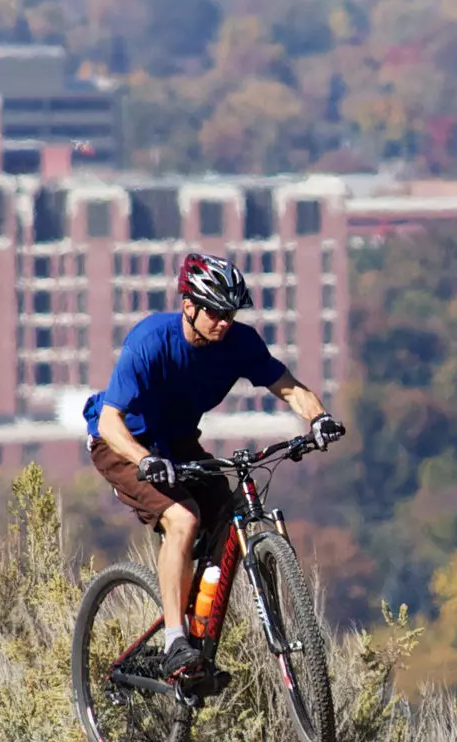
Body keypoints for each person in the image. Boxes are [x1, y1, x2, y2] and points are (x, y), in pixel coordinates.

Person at [84, 252, 342, 687]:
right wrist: (144, 459)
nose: (225, 322)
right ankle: (174, 640)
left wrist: (318, 419)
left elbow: (290, 387)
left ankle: (197, 628)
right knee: (182, 518)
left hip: (179, 442)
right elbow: (110, 421)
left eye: (231, 313)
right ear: (189, 305)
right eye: (217, 313)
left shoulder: (239, 343)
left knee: (230, 517)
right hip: (125, 443)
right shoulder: (149, 341)